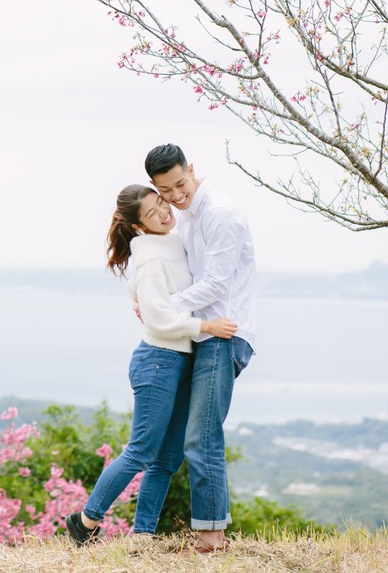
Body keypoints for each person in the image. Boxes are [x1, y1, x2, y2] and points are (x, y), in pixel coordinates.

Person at [64, 184, 237, 546]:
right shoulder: (152, 257)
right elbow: (158, 318)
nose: (163, 212)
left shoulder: (172, 243)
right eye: (151, 213)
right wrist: (206, 327)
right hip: (158, 361)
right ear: (139, 226)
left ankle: (143, 535)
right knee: (142, 450)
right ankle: (85, 521)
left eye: (161, 202)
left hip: (180, 361)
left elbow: (158, 299)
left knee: (167, 459)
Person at [145, 143, 257, 554]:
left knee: (201, 436)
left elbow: (216, 285)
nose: (176, 195)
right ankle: (196, 533)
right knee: (182, 436)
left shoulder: (218, 213)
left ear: (191, 169)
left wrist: (162, 306)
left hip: (224, 335)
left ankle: (211, 539)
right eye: (166, 190)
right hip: (203, 334)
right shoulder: (188, 218)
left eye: (181, 184)